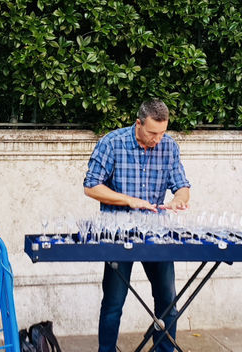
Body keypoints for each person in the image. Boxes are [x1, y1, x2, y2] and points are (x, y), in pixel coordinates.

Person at [83, 98, 191, 352]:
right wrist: (128, 201)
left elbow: (183, 186)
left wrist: (178, 200)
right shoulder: (112, 143)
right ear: (138, 124)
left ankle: (164, 350)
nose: (157, 139)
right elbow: (91, 186)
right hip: (118, 234)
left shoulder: (169, 146)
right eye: (153, 132)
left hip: (155, 233)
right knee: (113, 302)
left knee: (167, 300)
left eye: (162, 133)